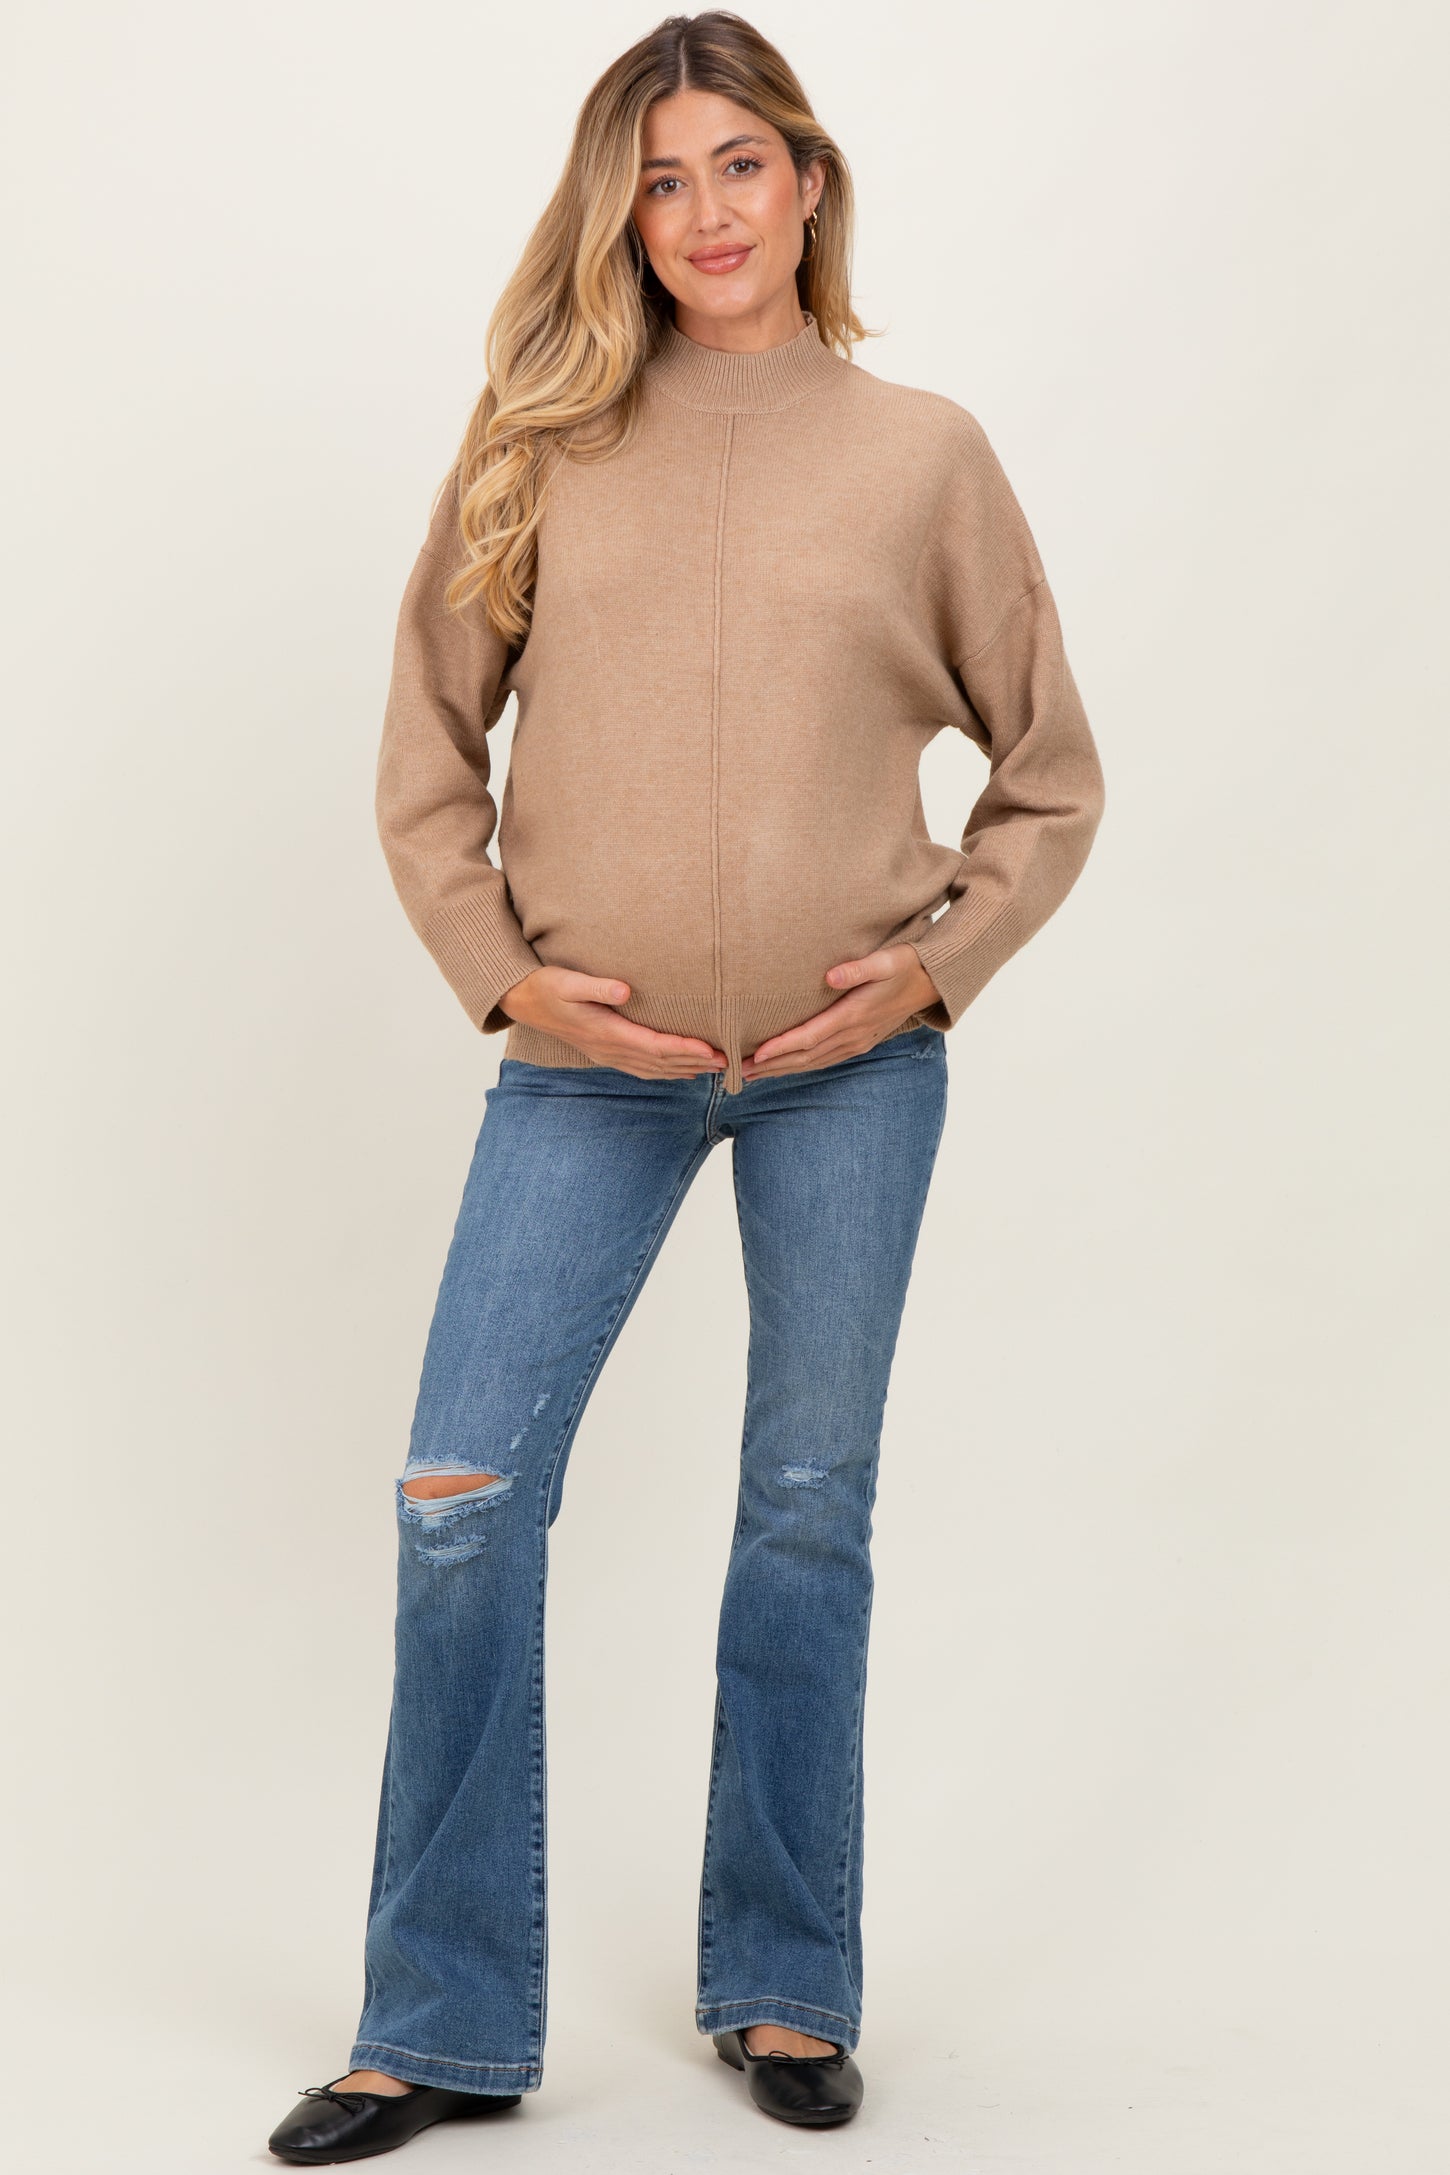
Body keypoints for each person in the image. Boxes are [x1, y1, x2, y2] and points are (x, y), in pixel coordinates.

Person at [267, 10, 1105, 2162]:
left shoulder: (921, 454)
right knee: (462, 1497)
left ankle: (785, 1982)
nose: (705, 210)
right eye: (659, 178)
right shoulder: (539, 440)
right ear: (615, 215)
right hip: (588, 1074)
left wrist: (931, 972)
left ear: (807, 183)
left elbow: (1047, 775)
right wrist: (508, 982)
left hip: (847, 1076)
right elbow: (425, 747)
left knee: (807, 1513)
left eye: (739, 164)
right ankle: (439, 2018)